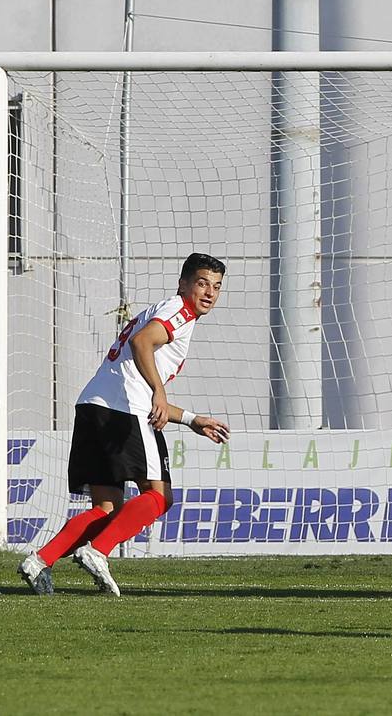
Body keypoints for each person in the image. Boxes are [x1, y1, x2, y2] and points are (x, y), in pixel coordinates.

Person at [17, 253, 232, 596]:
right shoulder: (180, 310)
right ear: (183, 284)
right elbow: (141, 342)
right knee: (159, 497)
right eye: (202, 283)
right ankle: (97, 551)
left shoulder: (165, 310)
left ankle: (39, 561)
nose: (209, 293)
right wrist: (159, 392)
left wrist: (191, 420)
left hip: (94, 406)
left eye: (217, 287)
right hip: (123, 411)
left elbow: (138, 378)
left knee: (105, 508)